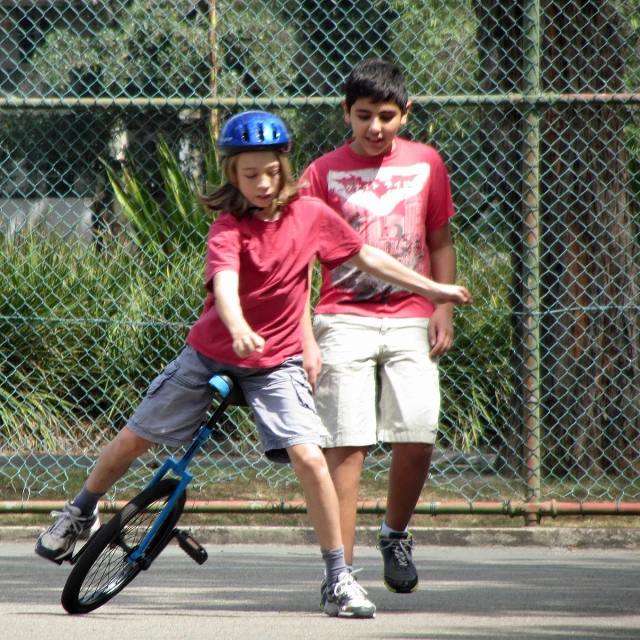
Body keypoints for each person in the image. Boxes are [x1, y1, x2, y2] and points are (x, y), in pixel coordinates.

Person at [35, 111, 471, 618]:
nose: (262, 183)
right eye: (249, 174)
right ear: (231, 174)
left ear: (284, 166)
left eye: (270, 171)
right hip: (210, 354)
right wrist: (238, 325)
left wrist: (433, 288)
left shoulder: (310, 215)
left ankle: (338, 578)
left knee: (310, 457)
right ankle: (79, 512)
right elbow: (224, 282)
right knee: (135, 439)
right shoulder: (229, 227)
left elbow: (367, 258)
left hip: (276, 364)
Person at [300, 58, 463, 595]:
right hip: (341, 317)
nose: (375, 127)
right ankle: (339, 574)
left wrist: (443, 306)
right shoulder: (321, 173)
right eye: (364, 115)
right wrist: (305, 335)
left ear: (405, 114)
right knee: (346, 445)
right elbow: (298, 263)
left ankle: (394, 534)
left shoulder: (426, 163)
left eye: (387, 116)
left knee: (417, 432)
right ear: (345, 112)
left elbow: (439, 241)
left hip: (412, 317)